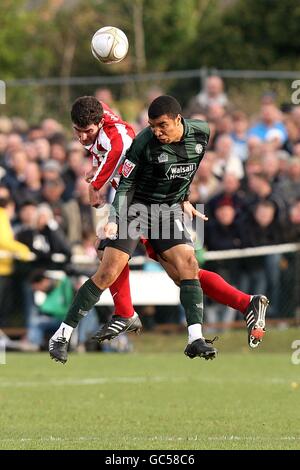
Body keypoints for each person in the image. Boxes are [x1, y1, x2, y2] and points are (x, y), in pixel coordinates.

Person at [49, 96, 269, 364]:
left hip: (160, 208)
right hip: (135, 206)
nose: (156, 132)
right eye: (152, 126)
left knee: (186, 268)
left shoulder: (199, 132)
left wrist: (183, 196)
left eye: (162, 125)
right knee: (108, 267)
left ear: (179, 120)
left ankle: (211, 327)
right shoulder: (141, 139)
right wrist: (115, 214)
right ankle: (64, 335)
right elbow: (127, 182)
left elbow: (189, 164)